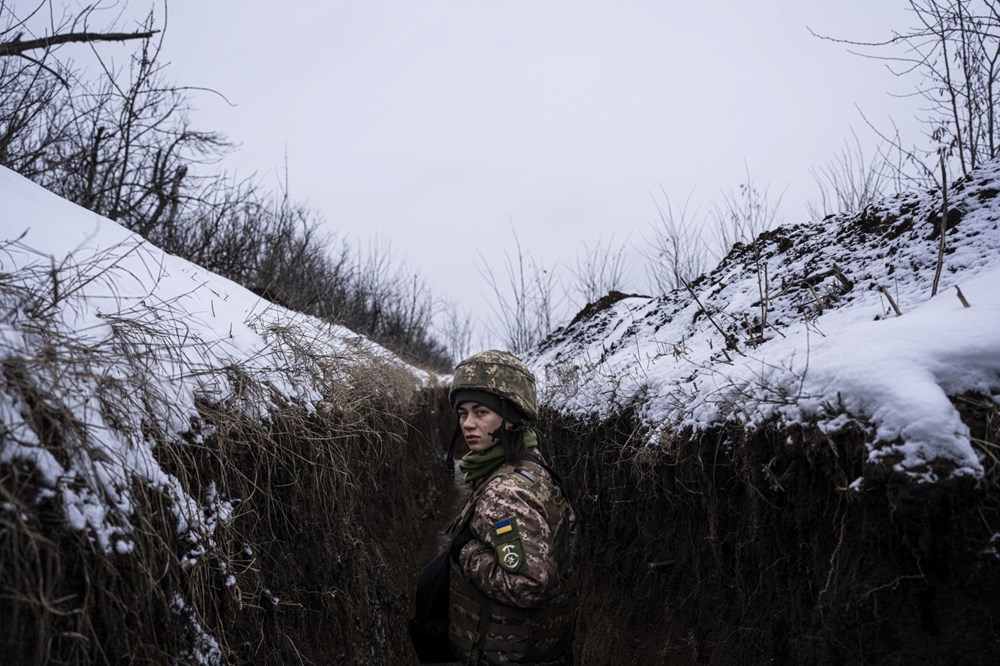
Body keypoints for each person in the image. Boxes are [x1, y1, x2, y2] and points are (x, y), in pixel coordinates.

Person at [446, 350, 578, 665]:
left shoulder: (506, 492)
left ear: (512, 416)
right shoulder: (532, 467)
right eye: (463, 413)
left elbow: (529, 585)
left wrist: (467, 551)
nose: (468, 424)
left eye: (481, 412)